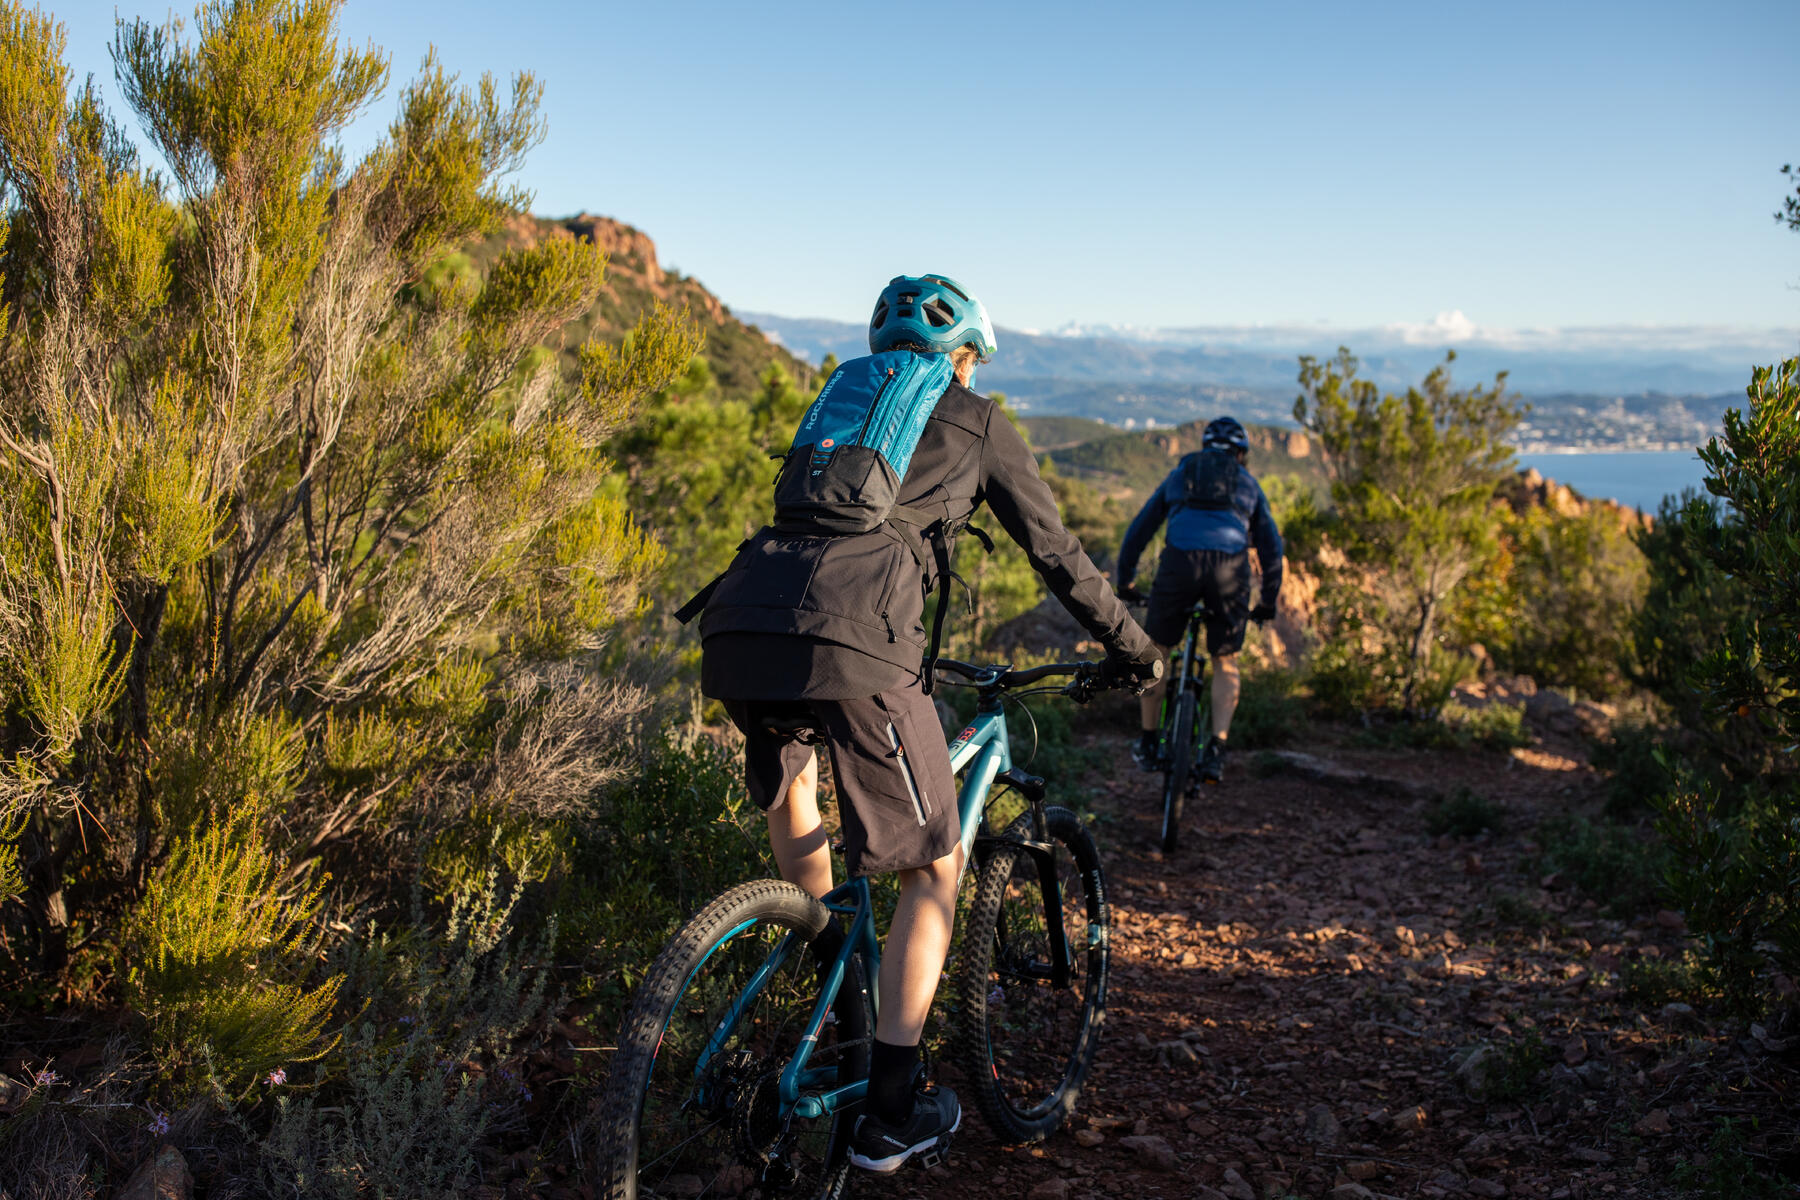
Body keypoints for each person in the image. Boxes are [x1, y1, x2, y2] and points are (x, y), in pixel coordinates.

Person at [694, 274, 1159, 1173]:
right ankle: (891, 1111)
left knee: (795, 785)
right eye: (973, 360)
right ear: (964, 356)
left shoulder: (841, 404)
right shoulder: (975, 417)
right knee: (936, 864)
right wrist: (1133, 648)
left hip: (746, 617)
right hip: (859, 640)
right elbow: (1056, 553)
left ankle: (836, 996)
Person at [1115, 415, 1283, 785]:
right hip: (1230, 571)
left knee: (1155, 650)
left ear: (1206, 448)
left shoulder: (1180, 475)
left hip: (1180, 565)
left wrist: (1124, 580)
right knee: (1225, 659)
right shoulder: (1249, 484)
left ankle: (1147, 740)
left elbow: (1140, 529)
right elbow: (1271, 548)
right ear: (1241, 454)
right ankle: (1217, 750)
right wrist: (1268, 601)